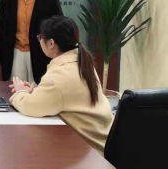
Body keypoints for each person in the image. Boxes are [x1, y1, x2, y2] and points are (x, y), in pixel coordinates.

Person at [10, 15, 113, 154]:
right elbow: (66, 96)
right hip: (101, 143)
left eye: (40, 37)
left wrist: (20, 92)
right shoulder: (82, 63)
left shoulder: (58, 77)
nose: (39, 41)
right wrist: (38, 92)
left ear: (51, 43)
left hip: (90, 152)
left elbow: (30, 107)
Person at [0, 0, 63, 84]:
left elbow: (59, 26)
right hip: (15, 53)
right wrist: (0, 50)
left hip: (41, 53)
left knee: (39, 90)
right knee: (16, 90)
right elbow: (1, 26)